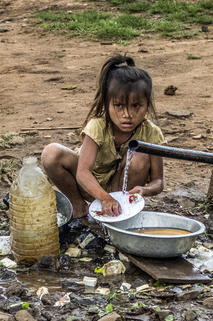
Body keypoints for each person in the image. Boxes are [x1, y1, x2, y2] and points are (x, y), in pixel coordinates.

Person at [42, 54, 165, 218]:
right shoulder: (98, 126)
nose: (127, 114)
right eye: (119, 105)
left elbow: (159, 181)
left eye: (136, 106)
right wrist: (105, 198)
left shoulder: (151, 133)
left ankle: (122, 213)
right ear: (107, 104)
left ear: (147, 105)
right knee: (51, 153)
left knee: (141, 154)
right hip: (89, 186)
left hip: (122, 191)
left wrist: (145, 190)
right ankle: (79, 209)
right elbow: (83, 173)